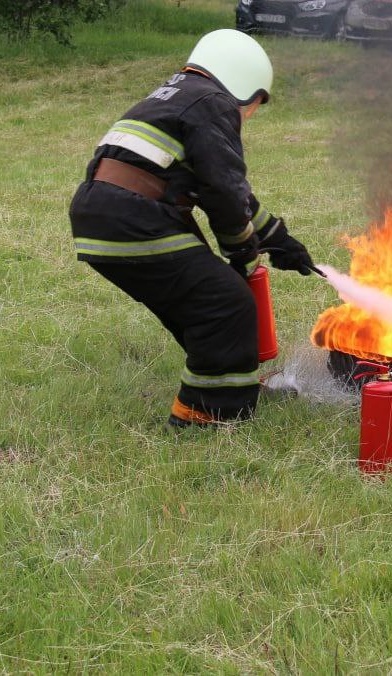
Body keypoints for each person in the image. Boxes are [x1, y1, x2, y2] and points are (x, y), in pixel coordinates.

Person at [68, 29, 315, 428]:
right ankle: (205, 416)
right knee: (226, 301)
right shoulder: (212, 102)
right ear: (241, 81)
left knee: (201, 305)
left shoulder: (177, 95)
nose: (245, 117)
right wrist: (242, 255)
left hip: (102, 214)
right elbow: (223, 190)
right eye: (251, 106)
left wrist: (279, 240)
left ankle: (233, 391)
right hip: (133, 218)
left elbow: (229, 193)